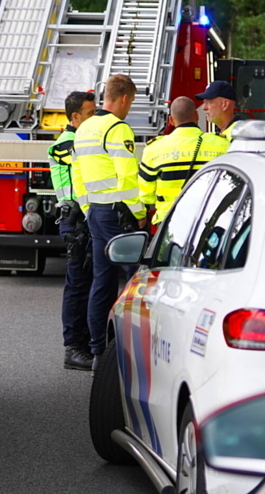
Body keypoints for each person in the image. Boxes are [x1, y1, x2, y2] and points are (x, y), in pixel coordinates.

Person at [71, 74, 146, 368]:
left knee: (102, 281)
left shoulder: (84, 128)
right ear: (124, 98)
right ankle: (134, 350)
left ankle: (98, 352)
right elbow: (127, 176)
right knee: (136, 278)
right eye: (132, 102)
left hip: (96, 212)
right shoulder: (117, 128)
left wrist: (87, 207)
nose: (130, 107)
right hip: (118, 214)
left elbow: (77, 175)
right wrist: (138, 212)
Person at [48, 91, 97, 371]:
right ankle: (74, 348)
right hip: (75, 221)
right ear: (75, 117)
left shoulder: (81, 139)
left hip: (85, 219)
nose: (95, 118)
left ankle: (89, 343)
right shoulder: (66, 144)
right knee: (78, 285)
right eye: (91, 114)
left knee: (90, 283)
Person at [139, 96, 228, 225]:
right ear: (197, 115)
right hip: (209, 219)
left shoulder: (154, 149)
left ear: (171, 120)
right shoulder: (222, 144)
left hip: (169, 220)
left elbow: (146, 196)